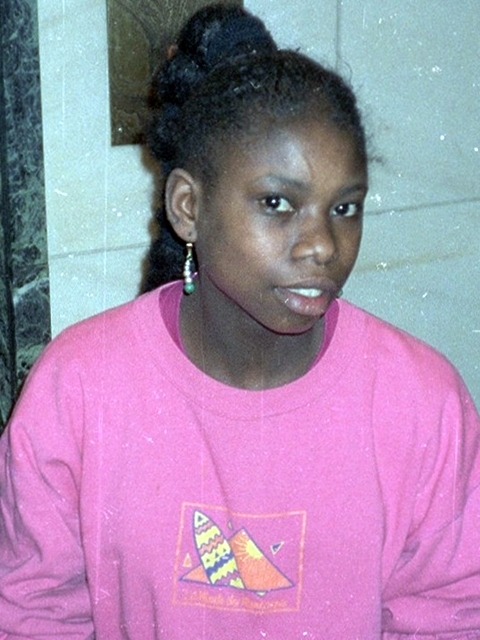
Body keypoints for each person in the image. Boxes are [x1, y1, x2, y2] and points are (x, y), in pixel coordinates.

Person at [1, 4, 479, 638]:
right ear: (188, 207)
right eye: (277, 203)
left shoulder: (422, 402)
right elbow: (33, 614)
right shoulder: (79, 387)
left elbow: (450, 617)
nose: (322, 246)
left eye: (344, 208)